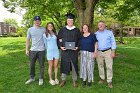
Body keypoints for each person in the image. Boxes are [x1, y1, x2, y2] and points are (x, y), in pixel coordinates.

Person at [58, 13, 81, 87]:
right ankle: (63, 80)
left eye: (71, 20)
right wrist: (61, 47)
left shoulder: (77, 30)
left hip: (74, 51)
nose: (70, 21)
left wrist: (77, 47)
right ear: (66, 21)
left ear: (73, 21)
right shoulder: (62, 30)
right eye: (68, 20)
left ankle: (74, 80)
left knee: (74, 65)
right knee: (64, 64)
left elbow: (80, 40)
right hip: (65, 51)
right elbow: (59, 39)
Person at [95, 21, 116, 88]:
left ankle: (109, 81)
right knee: (100, 66)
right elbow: (94, 44)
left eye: (102, 25)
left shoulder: (109, 33)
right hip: (99, 52)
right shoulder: (96, 34)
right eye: (99, 25)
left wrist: (113, 51)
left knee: (109, 66)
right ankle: (102, 78)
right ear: (98, 26)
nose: (100, 26)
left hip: (108, 51)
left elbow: (113, 42)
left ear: (104, 26)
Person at [25, 16, 45, 85]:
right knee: (31, 65)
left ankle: (41, 78)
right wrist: (27, 49)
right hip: (33, 50)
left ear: (40, 22)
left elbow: (51, 34)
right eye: (36, 20)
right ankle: (32, 78)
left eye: (38, 21)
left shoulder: (43, 29)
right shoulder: (30, 29)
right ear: (34, 21)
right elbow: (27, 40)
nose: (37, 22)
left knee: (42, 65)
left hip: (41, 50)